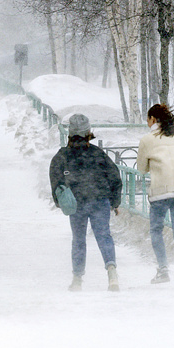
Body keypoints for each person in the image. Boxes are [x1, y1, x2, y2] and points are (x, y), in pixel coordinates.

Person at [50, 114, 123, 292]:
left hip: (77, 204)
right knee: (104, 235)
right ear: (88, 132)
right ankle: (112, 273)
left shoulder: (62, 156)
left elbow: (56, 179)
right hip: (99, 200)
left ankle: (77, 279)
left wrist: (59, 201)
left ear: (70, 133)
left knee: (79, 240)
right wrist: (115, 201)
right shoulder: (97, 153)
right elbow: (114, 176)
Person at [136, 104, 174, 288]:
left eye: (147, 119)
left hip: (161, 191)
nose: (147, 123)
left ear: (153, 119)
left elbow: (141, 169)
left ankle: (163, 270)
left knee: (156, 230)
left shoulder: (147, 140)